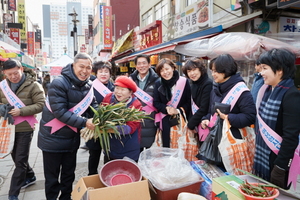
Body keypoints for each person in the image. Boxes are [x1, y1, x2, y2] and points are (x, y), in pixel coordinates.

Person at [37, 53, 98, 200]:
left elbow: (93, 105)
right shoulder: (59, 83)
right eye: (81, 67)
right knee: (52, 178)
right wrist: (85, 122)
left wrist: (100, 116)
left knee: (68, 175)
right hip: (52, 139)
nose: (84, 71)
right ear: (73, 66)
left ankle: (66, 198)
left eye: (88, 68)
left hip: (71, 139)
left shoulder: (88, 84)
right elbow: (60, 112)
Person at [253, 49, 300, 189]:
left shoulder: (291, 95)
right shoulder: (266, 91)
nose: (261, 73)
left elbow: (291, 137)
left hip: (277, 162)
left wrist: (280, 168)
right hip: (263, 158)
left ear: (279, 70)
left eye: (265, 68)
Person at [0, 59, 45, 200]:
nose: (13, 77)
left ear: (21, 69)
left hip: (25, 127)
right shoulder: (2, 86)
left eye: (16, 73)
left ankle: (13, 193)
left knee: (20, 160)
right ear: (4, 74)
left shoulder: (33, 85)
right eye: (9, 74)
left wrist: (22, 111)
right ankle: (30, 175)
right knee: (16, 157)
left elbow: (41, 104)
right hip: (8, 127)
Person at [200, 54, 256, 160]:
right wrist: (206, 119)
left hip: (232, 143)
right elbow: (210, 112)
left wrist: (227, 117)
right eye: (212, 71)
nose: (213, 74)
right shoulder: (215, 87)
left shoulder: (241, 91)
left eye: (216, 71)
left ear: (226, 70)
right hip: (214, 140)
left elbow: (250, 117)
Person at [102, 76, 142, 163]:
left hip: (128, 148)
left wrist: (108, 128)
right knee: (110, 171)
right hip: (110, 146)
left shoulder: (136, 105)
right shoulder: (108, 98)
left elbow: (130, 128)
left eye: (123, 89)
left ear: (130, 92)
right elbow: (102, 113)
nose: (118, 92)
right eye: (117, 88)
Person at [153, 58, 191, 147]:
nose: (165, 72)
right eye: (162, 71)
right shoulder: (158, 83)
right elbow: (156, 102)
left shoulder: (184, 82)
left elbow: (189, 102)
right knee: (167, 148)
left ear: (173, 68)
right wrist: (166, 108)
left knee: (181, 147)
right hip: (165, 121)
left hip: (180, 121)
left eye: (167, 69)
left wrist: (177, 110)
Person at [86, 61, 114, 175]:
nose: (103, 74)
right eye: (101, 71)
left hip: (110, 126)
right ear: (96, 73)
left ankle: (107, 174)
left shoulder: (114, 87)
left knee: (109, 152)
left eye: (106, 72)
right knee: (94, 153)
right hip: (94, 126)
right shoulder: (89, 86)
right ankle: (92, 175)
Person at [130, 54, 159, 152]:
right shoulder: (131, 81)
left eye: (144, 63)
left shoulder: (157, 80)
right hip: (134, 120)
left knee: (150, 154)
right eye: (139, 64)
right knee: (136, 152)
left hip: (151, 120)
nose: (142, 66)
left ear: (149, 64)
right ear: (136, 66)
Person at [182, 57, 212, 141]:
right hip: (195, 123)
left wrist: (190, 124)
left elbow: (204, 108)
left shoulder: (207, 84)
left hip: (204, 124)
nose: (192, 73)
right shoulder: (191, 83)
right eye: (189, 71)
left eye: (194, 70)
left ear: (200, 69)